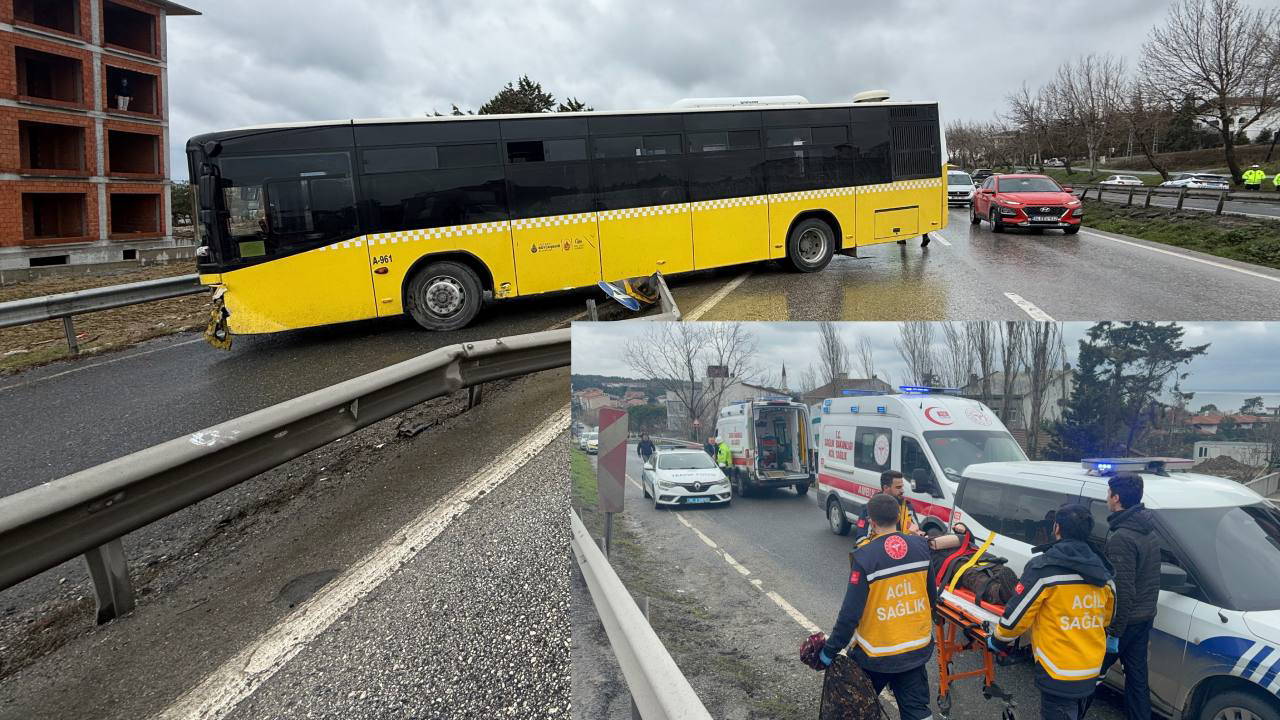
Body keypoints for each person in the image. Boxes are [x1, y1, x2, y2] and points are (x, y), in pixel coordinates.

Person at [813, 493, 936, 720]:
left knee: (857, 709)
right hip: (915, 651)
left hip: (876, 655)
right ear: (899, 516)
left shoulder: (865, 557)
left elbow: (850, 615)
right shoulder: (921, 547)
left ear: (872, 521)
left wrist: (829, 651)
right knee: (917, 713)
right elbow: (931, 595)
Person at [989, 504, 1115, 720]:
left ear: (1057, 528)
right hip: (1092, 668)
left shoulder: (1044, 570)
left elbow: (1017, 617)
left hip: (1059, 670)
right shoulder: (1104, 573)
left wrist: (998, 640)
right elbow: (1107, 617)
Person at [1099, 473, 1161, 720]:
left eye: (1108, 494)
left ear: (1116, 498)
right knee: (1137, 681)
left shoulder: (1122, 537)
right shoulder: (1148, 529)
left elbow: (1122, 590)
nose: (1106, 499)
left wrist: (1113, 633)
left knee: (1087, 677)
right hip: (1144, 617)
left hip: (1125, 622)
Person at [854, 471, 920, 546]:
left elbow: (917, 532)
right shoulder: (869, 509)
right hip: (880, 555)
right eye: (898, 487)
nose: (902, 491)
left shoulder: (908, 507)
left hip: (904, 554)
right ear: (886, 488)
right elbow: (860, 541)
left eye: (902, 487)